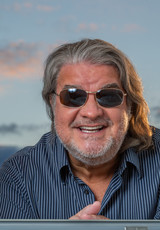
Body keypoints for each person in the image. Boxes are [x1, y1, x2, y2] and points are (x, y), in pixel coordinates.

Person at [0, 39, 160, 219]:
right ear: (52, 104)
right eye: (73, 96)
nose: (91, 113)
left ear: (129, 105)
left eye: (108, 96)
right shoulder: (18, 175)